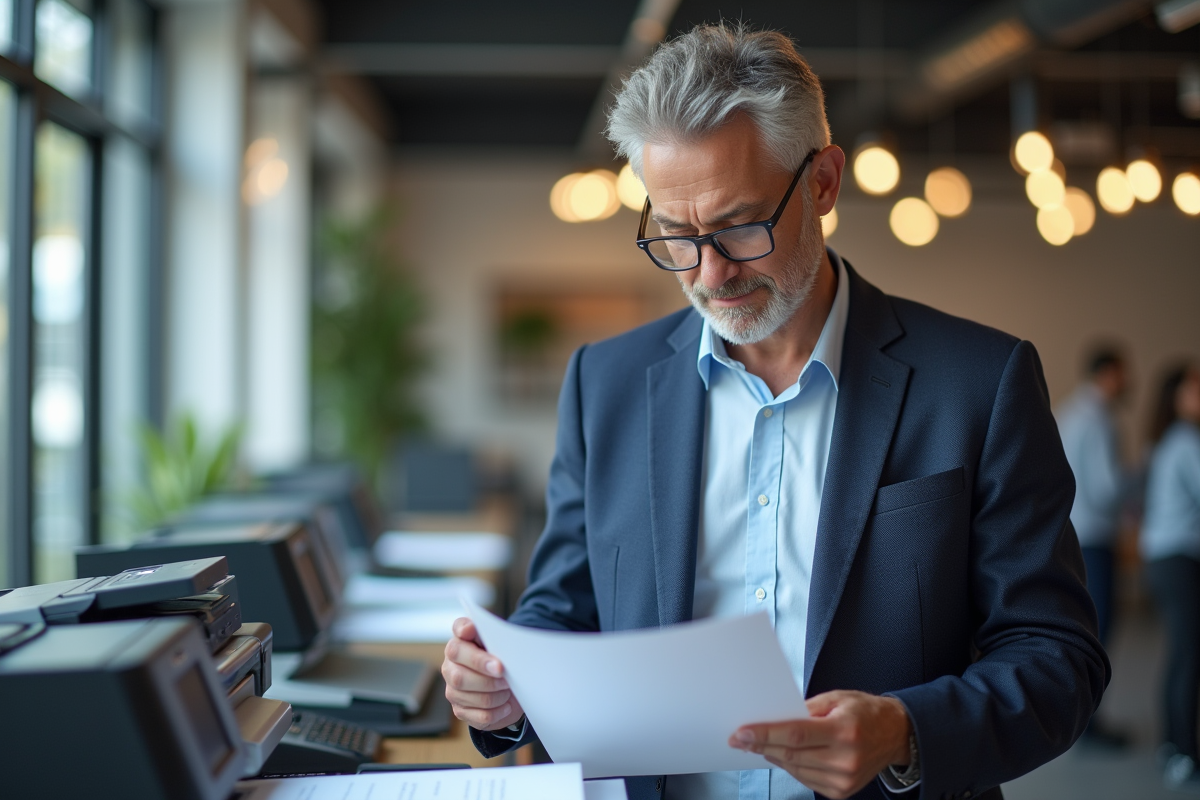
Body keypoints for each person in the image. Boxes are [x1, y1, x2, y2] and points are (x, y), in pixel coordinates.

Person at [442, 24, 1107, 800]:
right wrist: (506, 689)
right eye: (676, 235)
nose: (710, 272)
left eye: (738, 225)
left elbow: (1058, 658)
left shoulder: (979, 383)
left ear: (823, 182)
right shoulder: (606, 383)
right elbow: (562, 609)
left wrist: (904, 730)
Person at [1054, 346, 1132, 749]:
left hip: (1072, 532)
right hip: (1097, 536)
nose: (1127, 382)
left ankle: (1082, 720)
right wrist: (1138, 483)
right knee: (1101, 628)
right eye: (1123, 373)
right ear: (1108, 373)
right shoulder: (1099, 418)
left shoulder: (1070, 411)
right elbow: (1105, 489)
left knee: (1086, 624)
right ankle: (1090, 725)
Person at [1140, 363, 1200, 791]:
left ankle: (1171, 746)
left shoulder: (1168, 441)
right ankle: (1182, 752)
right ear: (1176, 396)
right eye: (1196, 385)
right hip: (1178, 558)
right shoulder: (1185, 441)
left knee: (1181, 653)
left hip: (1163, 557)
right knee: (1188, 655)